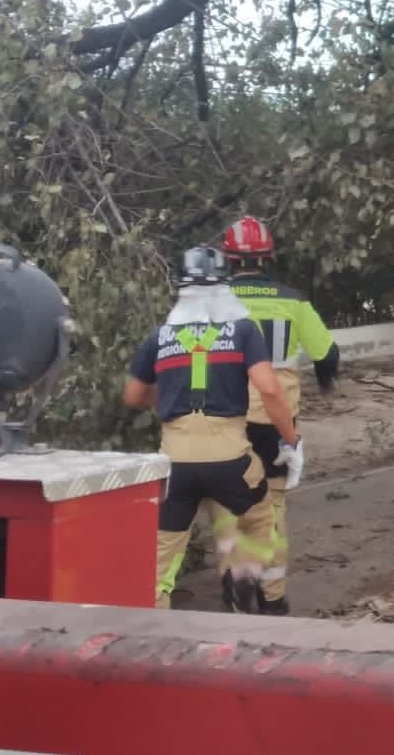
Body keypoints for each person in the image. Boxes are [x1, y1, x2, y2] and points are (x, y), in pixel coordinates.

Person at [123, 245, 304, 613]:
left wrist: (169, 400)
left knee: (160, 564)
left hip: (174, 467)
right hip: (231, 461)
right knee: (261, 521)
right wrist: (291, 440)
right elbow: (269, 389)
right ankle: (243, 577)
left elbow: (133, 395)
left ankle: (155, 633)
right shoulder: (242, 332)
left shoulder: (159, 337)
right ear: (225, 288)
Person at [217, 214, 341, 615]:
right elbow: (327, 355)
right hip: (275, 421)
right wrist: (324, 383)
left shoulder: (213, 302)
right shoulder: (293, 301)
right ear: (267, 258)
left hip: (225, 421)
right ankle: (273, 598)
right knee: (272, 507)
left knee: (229, 505)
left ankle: (236, 590)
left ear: (229, 259)